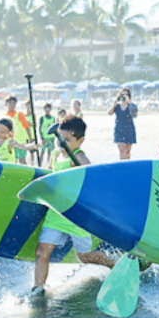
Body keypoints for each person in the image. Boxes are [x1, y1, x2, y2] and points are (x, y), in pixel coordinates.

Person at [32, 115, 117, 295]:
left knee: (84, 257)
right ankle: (38, 289)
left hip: (75, 215)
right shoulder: (55, 154)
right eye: (60, 139)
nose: (62, 144)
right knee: (41, 252)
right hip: (55, 212)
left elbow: (90, 172)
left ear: (80, 141)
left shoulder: (78, 156)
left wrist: (82, 169)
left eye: (68, 140)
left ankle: (114, 264)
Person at [4, 96, 31, 166]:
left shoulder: (19, 114)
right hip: (9, 142)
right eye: (10, 103)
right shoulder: (4, 116)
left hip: (20, 141)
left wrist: (30, 138)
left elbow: (27, 127)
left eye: (14, 103)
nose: (12, 105)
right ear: (6, 104)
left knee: (22, 161)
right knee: (13, 161)